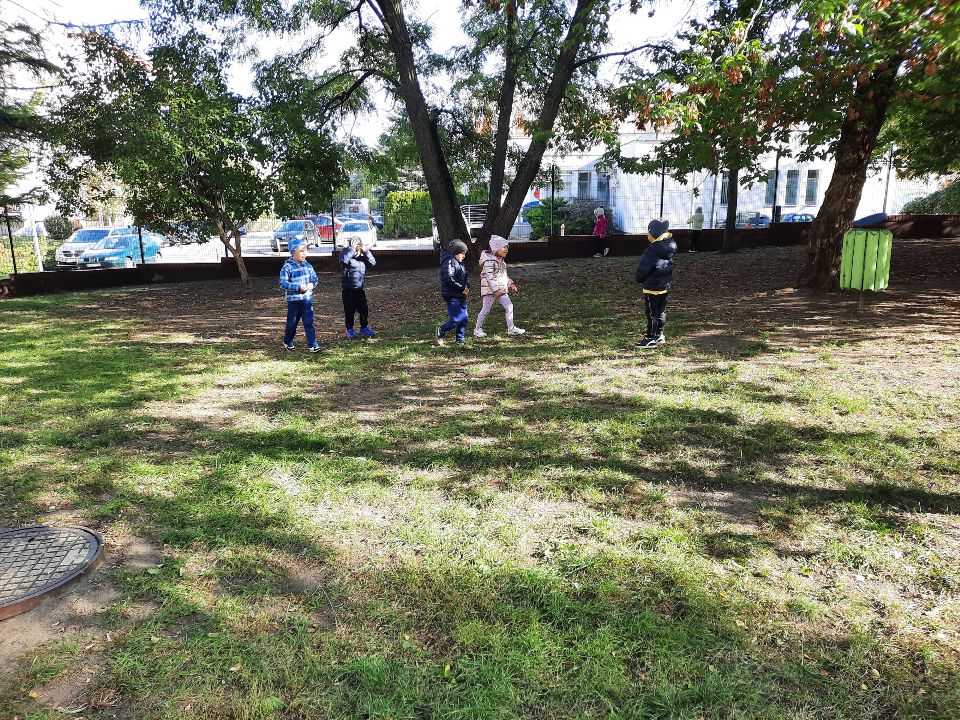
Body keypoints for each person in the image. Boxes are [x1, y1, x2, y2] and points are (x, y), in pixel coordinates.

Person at [634, 218, 677, 349]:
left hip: (652, 287)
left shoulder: (652, 249)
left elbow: (644, 267)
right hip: (663, 286)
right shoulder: (669, 247)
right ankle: (659, 335)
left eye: (648, 232)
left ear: (653, 233)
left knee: (652, 313)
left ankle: (650, 338)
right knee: (661, 311)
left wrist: (638, 278)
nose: (647, 235)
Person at [474, 235, 525, 338]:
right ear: (495, 248)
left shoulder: (501, 261)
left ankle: (511, 329)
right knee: (486, 310)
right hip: (490, 291)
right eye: (503, 247)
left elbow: (503, 276)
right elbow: (489, 277)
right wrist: (495, 290)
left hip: (501, 290)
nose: (506, 249)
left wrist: (510, 283)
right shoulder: (489, 261)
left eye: (507, 247)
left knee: (509, 306)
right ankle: (477, 329)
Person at [279, 237, 321, 352]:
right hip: (294, 301)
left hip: (307, 300)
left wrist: (312, 284)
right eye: (301, 251)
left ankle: (313, 344)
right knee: (292, 323)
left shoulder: (308, 265)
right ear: (293, 252)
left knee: (308, 322)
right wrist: (298, 287)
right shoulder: (287, 267)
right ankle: (288, 341)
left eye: (305, 250)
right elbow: (283, 283)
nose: (304, 253)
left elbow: (314, 278)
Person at [340, 238, 377, 339]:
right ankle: (349, 330)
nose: (358, 247)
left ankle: (363, 328)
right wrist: (352, 249)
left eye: (359, 245)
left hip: (360, 289)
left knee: (364, 310)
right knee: (349, 311)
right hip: (348, 290)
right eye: (356, 245)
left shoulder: (363, 257)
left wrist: (366, 251)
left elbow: (373, 263)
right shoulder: (345, 252)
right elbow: (344, 261)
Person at [436, 239, 471, 345]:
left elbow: (466, 275)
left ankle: (460, 339)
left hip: (461, 295)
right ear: (456, 252)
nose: (464, 256)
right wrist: (461, 288)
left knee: (464, 319)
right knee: (457, 318)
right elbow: (449, 278)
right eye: (462, 253)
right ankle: (441, 329)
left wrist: (467, 285)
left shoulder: (460, 263)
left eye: (465, 253)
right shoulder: (449, 262)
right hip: (452, 295)